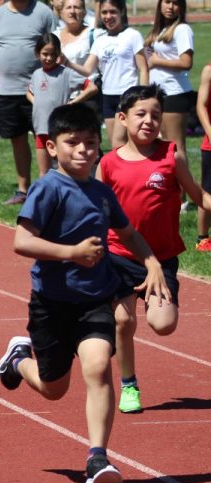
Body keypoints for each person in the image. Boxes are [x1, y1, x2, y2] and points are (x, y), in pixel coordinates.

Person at [0, 102, 165, 483]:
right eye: (73, 143)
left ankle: (97, 456)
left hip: (94, 300)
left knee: (98, 365)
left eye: (90, 143)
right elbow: (22, 241)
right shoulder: (48, 189)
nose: (83, 151)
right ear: (52, 147)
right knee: (54, 389)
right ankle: (19, 361)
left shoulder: (102, 193)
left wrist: (152, 262)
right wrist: (71, 253)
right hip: (52, 304)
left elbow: (128, 232)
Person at [97, 85, 211, 413]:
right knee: (123, 322)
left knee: (163, 324)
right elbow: (93, 208)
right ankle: (129, 385)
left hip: (161, 259)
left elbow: (196, 194)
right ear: (123, 118)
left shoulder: (171, 154)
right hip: (120, 255)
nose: (149, 121)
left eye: (156, 115)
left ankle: (146, 302)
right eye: (141, 114)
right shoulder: (108, 163)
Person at [0, 0, 56, 205]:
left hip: (38, 88)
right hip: (7, 90)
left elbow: (54, 44)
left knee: (44, 136)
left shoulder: (43, 12)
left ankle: (49, 186)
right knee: (17, 138)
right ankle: (23, 189)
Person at [59, 0, 146, 151]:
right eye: (104, 12)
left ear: (121, 12)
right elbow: (87, 69)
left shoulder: (132, 35)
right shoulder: (100, 40)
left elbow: (143, 69)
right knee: (116, 147)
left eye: (113, 12)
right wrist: (67, 62)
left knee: (118, 143)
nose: (108, 16)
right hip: (107, 97)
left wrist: (143, 98)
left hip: (127, 95)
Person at [26, 33, 96, 177]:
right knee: (44, 172)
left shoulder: (66, 73)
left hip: (60, 130)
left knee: (64, 171)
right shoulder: (36, 74)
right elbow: (29, 92)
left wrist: (73, 103)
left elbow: (92, 88)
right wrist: (36, 102)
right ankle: (46, 198)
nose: (49, 58)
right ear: (37, 53)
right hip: (41, 129)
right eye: (45, 54)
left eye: (53, 54)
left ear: (59, 53)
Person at [143, 0, 193, 153]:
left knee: (175, 146)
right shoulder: (161, 29)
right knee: (163, 144)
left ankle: (183, 178)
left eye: (176, 3)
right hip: (159, 93)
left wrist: (158, 61)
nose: (170, 7)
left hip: (174, 93)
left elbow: (186, 63)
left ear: (181, 7)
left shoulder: (182, 29)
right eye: (167, 2)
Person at [196, 63, 211, 252]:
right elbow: (201, 105)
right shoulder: (208, 69)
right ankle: (203, 238)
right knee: (208, 190)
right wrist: (209, 131)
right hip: (210, 144)